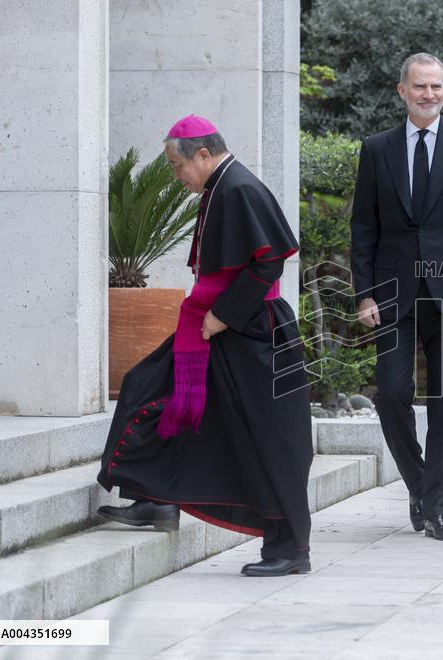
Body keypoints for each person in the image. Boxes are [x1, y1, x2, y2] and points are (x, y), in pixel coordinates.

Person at [96, 115, 314, 577]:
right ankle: (155, 498)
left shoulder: (238, 189)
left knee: (267, 441)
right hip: (219, 330)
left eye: (178, 167)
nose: (176, 177)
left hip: (252, 335)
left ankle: (290, 550)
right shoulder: (220, 188)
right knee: (149, 389)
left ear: (202, 153)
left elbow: (268, 264)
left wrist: (221, 316)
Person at [350, 53, 443, 541]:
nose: (428, 94)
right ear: (402, 91)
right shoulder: (376, 149)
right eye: (419, 86)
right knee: (391, 392)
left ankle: (439, 510)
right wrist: (364, 294)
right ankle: (419, 482)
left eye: (436, 86)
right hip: (393, 296)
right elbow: (364, 229)